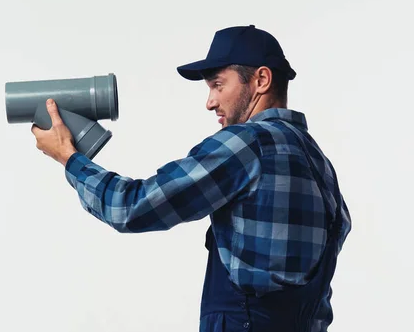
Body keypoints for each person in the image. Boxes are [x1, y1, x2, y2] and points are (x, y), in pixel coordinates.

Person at [31, 24, 352, 332]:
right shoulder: (320, 164)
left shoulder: (247, 144)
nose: (210, 101)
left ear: (261, 80)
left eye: (218, 85)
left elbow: (130, 207)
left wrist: (70, 159)